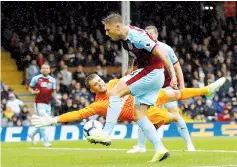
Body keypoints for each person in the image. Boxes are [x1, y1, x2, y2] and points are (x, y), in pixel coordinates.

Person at [31, 74, 226, 145]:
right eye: (97, 85)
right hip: (144, 113)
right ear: (92, 90)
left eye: (100, 80)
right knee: (173, 116)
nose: (101, 84)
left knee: (173, 93)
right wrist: (53, 120)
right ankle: (155, 142)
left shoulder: (115, 82)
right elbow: (78, 114)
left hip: (144, 97)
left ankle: (207, 90)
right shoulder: (99, 105)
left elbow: (128, 79)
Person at [89, 13, 178, 162]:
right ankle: (160, 149)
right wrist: (130, 67)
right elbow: (132, 53)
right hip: (152, 74)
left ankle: (106, 133)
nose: (106, 33)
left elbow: (160, 52)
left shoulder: (137, 36)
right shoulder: (125, 38)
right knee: (139, 115)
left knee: (115, 92)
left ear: (117, 26)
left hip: (152, 72)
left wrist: (173, 75)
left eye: (108, 29)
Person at [127, 25, 195, 154]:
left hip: (166, 85)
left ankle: (189, 144)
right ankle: (141, 146)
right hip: (150, 86)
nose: (148, 36)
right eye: (146, 34)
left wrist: (182, 86)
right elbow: (137, 63)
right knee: (142, 114)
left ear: (157, 35)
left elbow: (177, 67)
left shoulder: (165, 48)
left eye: (151, 34)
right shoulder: (141, 48)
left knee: (174, 113)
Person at [28, 63, 60, 147]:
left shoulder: (52, 80)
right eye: (44, 68)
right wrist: (33, 92)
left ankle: (32, 133)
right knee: (43, 121)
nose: (45, 69)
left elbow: (53, 92)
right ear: (41, 70)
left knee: (45, 122)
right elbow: (30, 87)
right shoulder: (36, 78)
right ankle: (46, 141)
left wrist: (57, 99)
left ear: (49, 70)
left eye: (47, 68)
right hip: (38, 103)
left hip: (47, 103)